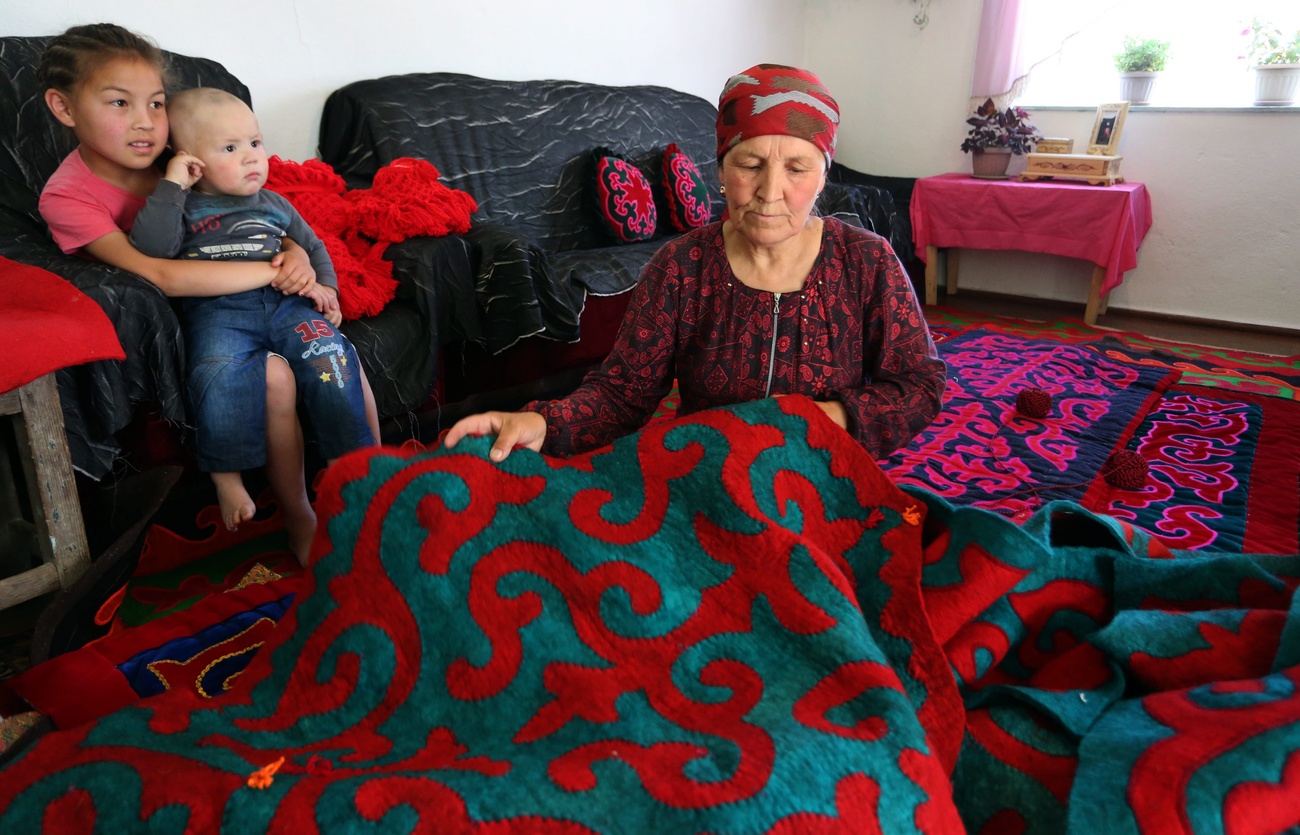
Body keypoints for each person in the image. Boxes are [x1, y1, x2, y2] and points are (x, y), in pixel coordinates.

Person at [445, 63, 945, 463]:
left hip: (827, 479)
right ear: (721, 170)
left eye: (796, 168)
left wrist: (821, 418)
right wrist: (543, 423)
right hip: (708, 478)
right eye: (749, 166)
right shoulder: (682, 267)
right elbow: (623, 393)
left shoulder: (867, 262)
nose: (771, 193)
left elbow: (919, 386)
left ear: (823, 176)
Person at [37, 23, 372, 563]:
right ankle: (297, 514)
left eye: (156, 103)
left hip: (267, 295)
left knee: (334, 351)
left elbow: (258, 214)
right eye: (120, 103)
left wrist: (300, 255)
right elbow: (161, 270)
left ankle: (370, 478)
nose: (145, 121)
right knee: (275, 377)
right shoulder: (71, 197)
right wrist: (274, 269)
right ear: (64, 107)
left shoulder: (186, 156)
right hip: (195, 313)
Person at [127, 86, 380, 562]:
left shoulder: (275, 205)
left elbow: (315, 246)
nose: (251, 159)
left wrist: (326, 289)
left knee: (332, 354)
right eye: (230, 148)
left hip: (287, 306)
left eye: (255, 143)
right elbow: (153, 248)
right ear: (189, 160)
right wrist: (173, 186)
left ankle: (355, 467)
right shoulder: (180, 208)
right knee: (216, 371)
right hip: (221, 313)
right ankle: (228, 479)